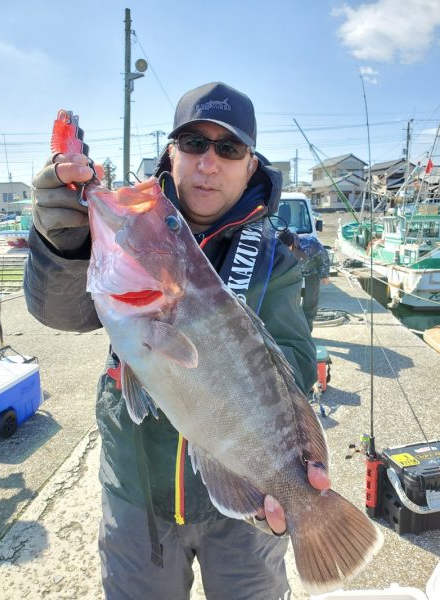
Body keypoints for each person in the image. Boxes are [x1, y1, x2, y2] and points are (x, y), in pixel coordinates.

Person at [24, 82, 330, 600]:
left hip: (242, 512)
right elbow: (63, 312)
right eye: (193, 144)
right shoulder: (132, 236)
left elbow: (295, 359)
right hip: (136, 495)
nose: (208, 162)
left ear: (250, 165)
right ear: (172, 152)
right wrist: (62, 241)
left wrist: (275, 455)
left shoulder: (275, 256)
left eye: (228, 148)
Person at [279, 229, 330, 332]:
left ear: (293, 243)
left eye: (288, 248)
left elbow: (323, 258)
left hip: (312, 271)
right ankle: (293, 326)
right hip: (293, 272)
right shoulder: (278, 244)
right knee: (290, 298)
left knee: (310, 300)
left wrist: (325, 276)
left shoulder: (310, 243)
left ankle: (307, 328)